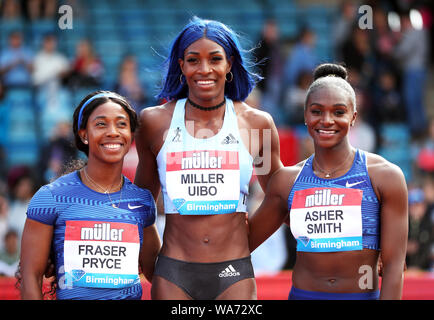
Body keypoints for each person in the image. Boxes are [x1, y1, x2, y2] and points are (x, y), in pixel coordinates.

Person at [134, 17, 282, 300]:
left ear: (229, 65)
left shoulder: (257, 124)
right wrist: (155, 262)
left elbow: (278, 194)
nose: (204, 69)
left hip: (233, 274)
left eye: (215, 59)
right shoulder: (154, 123)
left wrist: (242, 246)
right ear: (181, 66)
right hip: (173, 272)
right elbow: (141, 204)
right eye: (193, 60)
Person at [249, 63, 408, 300]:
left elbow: (395, 268)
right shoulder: (287, 181)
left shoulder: (386, 177)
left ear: (353, 117)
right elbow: (243, 244)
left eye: (338, 112)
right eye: (316, 111)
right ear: (305, 115)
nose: (327, 120)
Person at [19, 91, 161, 300]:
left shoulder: (141, 201)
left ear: (131, 134)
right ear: (84, 134)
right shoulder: (51, 197)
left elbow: (158, 274)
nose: (113, 132)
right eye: (101, 124)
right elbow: (30, 278)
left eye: (121, 124)